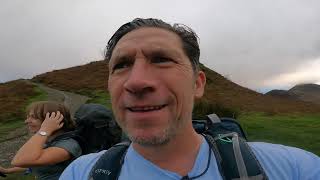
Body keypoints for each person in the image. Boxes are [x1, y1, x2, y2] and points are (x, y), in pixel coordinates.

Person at [60, 18, 320, 180]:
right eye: (121, 65)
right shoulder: (81, 173)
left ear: (198, 84)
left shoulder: (295, 168)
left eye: (161, 59)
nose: (136, 81)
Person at [0, 101, 82, 180]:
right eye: (28, 117)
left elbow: (19, 160)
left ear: (54, 121)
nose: (26, 121)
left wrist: (44, 130)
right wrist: (7, 171)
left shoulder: (66, 146)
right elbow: (37, 163)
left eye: (34, 117)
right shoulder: (51, 140)